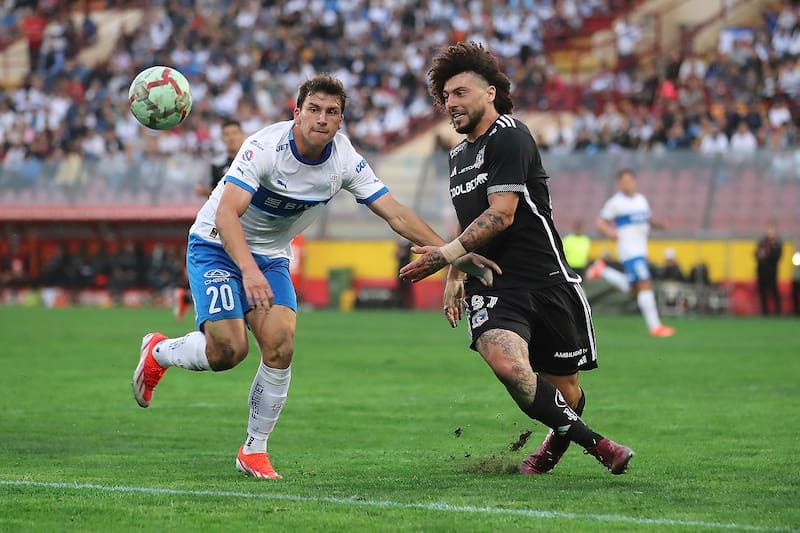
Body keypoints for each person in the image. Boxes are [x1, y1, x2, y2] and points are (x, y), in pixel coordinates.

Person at [132, 74, 499, 480]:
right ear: (297, 112)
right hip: (217, 245)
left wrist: (454, 254)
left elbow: (395, 214)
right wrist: (248, 273)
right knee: (228, 352)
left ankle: (253, 450)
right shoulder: (263, 147)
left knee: (280, 345)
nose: (322, 119)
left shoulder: (343, 160)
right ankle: (159, 352)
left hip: (269, 257)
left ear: (340, 121)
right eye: (314, 110)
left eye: (332, 112)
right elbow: (225, 213)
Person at [399, 42, 634, 476]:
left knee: (565, 389)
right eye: (446, 96)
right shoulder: (457, 156)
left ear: (490, 92)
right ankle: (599, 444)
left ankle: (555, 442)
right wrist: (454, 274)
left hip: (548, 279)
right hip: (493, 284)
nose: (451, 103)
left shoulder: (509, 135)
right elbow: (467, 220)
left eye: (461, 92)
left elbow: (501, 215)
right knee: (510, 366)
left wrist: (443, 258)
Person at [586, 169, 675, 337]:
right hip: (630, 250)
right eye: (623, 181)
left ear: (635, 181)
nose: (627, 183)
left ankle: (602, 270)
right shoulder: (616, 202)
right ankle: (656, 327)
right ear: (619, 184)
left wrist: (658, 225)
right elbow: (600, 222)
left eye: (630, 180)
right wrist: (610, 231)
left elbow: (646, 220)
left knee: (634, 290)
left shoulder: (641, 200)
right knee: (645, 284)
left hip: (641, 249)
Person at [174, 120, 249, 322]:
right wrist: (205, 192)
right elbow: (217, 198)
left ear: (243, 134)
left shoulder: (252, 161)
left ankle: (187, 297)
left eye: (235, 132)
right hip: (226, 226)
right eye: (228, 134)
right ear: (223, 139)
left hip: (250, 225)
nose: (232, 137)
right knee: (229, 272)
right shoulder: (217, 167)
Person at [755, 223, 783, 316]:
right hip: (761, 272)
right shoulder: (762, 243)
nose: (770, 233)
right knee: (762, 293)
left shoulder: (777, 244)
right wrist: (761, 255)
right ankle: (764, 312)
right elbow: (756, 254)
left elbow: (776, 257)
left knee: (774, 292)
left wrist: (765, 256)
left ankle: (778, 312)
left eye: (772, 231)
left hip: (772, 272)